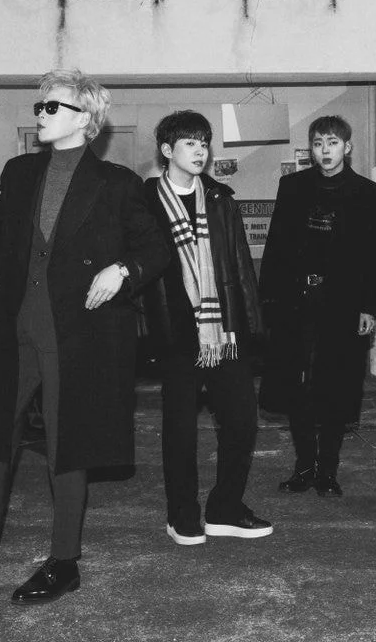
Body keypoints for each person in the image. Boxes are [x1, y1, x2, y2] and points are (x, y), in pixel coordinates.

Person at [0, 69, 168, 604]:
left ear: (86, 120)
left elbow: (155, 249)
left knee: (68, 444)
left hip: (81, 333)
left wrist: (121, 271)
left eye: (52, 107)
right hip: (15, 324)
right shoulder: (20, 172)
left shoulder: (118, 184)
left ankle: (64, 562)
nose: (40, 114)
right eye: (39, 106)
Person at [141, 110, 270, 546]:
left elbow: (240, 266)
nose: (200, 151)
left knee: (242, 421)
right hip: (176, 333)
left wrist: (250, 326)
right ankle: (182, 515)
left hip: (222, 333)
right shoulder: (144, 203)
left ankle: (225, 508)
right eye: (190, 143)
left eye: (204, 143)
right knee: (180, 429)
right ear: (167, 150)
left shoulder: (220, 200)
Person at [258, 115, 376, 497]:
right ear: (311, 149)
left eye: (332, 143)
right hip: (296, 303)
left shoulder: (370, 194)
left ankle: (328, 470)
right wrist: (269, 301)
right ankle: (304, 466)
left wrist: (369, 308)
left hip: (343, 306)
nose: (325, 150)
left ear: (347, 147)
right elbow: (276, 247)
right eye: (318, 143)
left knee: (337, 387)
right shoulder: (293, 187)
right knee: (297, 387)